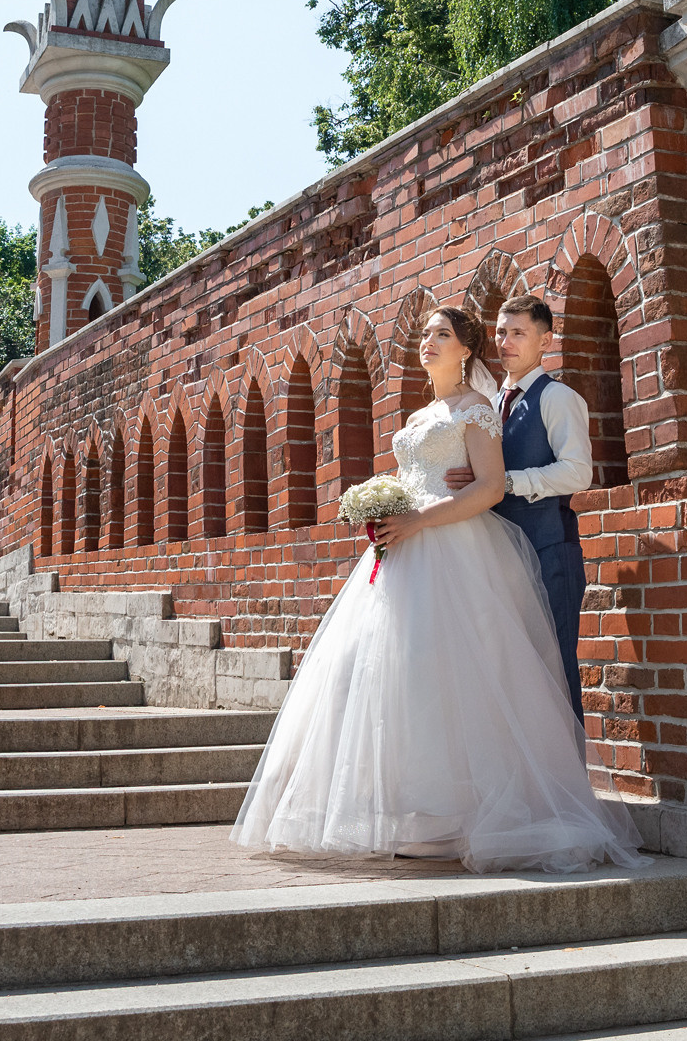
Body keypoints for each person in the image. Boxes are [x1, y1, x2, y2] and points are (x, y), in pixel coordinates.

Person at [228, 306, 643, 873]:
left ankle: (488, 809)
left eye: (442, 334)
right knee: (395, 674)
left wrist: (424, 519)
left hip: (468, 549)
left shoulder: (497, 407)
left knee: (487, 675)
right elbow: (419, 477)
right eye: (424, 333)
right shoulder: (431, 411)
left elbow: (500, 484)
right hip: (408, 552)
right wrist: (387, 509)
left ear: (466, 350)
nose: (428, 342)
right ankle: (414, 812)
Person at [446, 294, 591, 707]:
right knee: (509, 677)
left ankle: (568, 773)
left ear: (545, 342)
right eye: (501, 332)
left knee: (555, 674)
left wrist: (504, 482)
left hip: (549, 552)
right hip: (498, 557)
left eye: (518, 333)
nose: (505, 342)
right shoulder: (487, 405)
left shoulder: (558, 398)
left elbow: (579, 471)